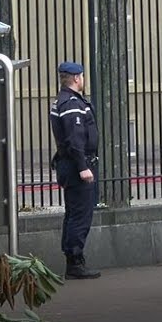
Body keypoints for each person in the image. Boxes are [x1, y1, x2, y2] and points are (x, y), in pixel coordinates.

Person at [49, 61, 101, 280]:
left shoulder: (62, 101)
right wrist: (83, 167)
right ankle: (75, 262)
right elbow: (74, 138)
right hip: (78, 165)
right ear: (77, 78)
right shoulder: (71, 103)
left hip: (69, 164)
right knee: (80, 215)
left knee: (73, 214)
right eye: (82, 77)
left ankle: (73, 258)